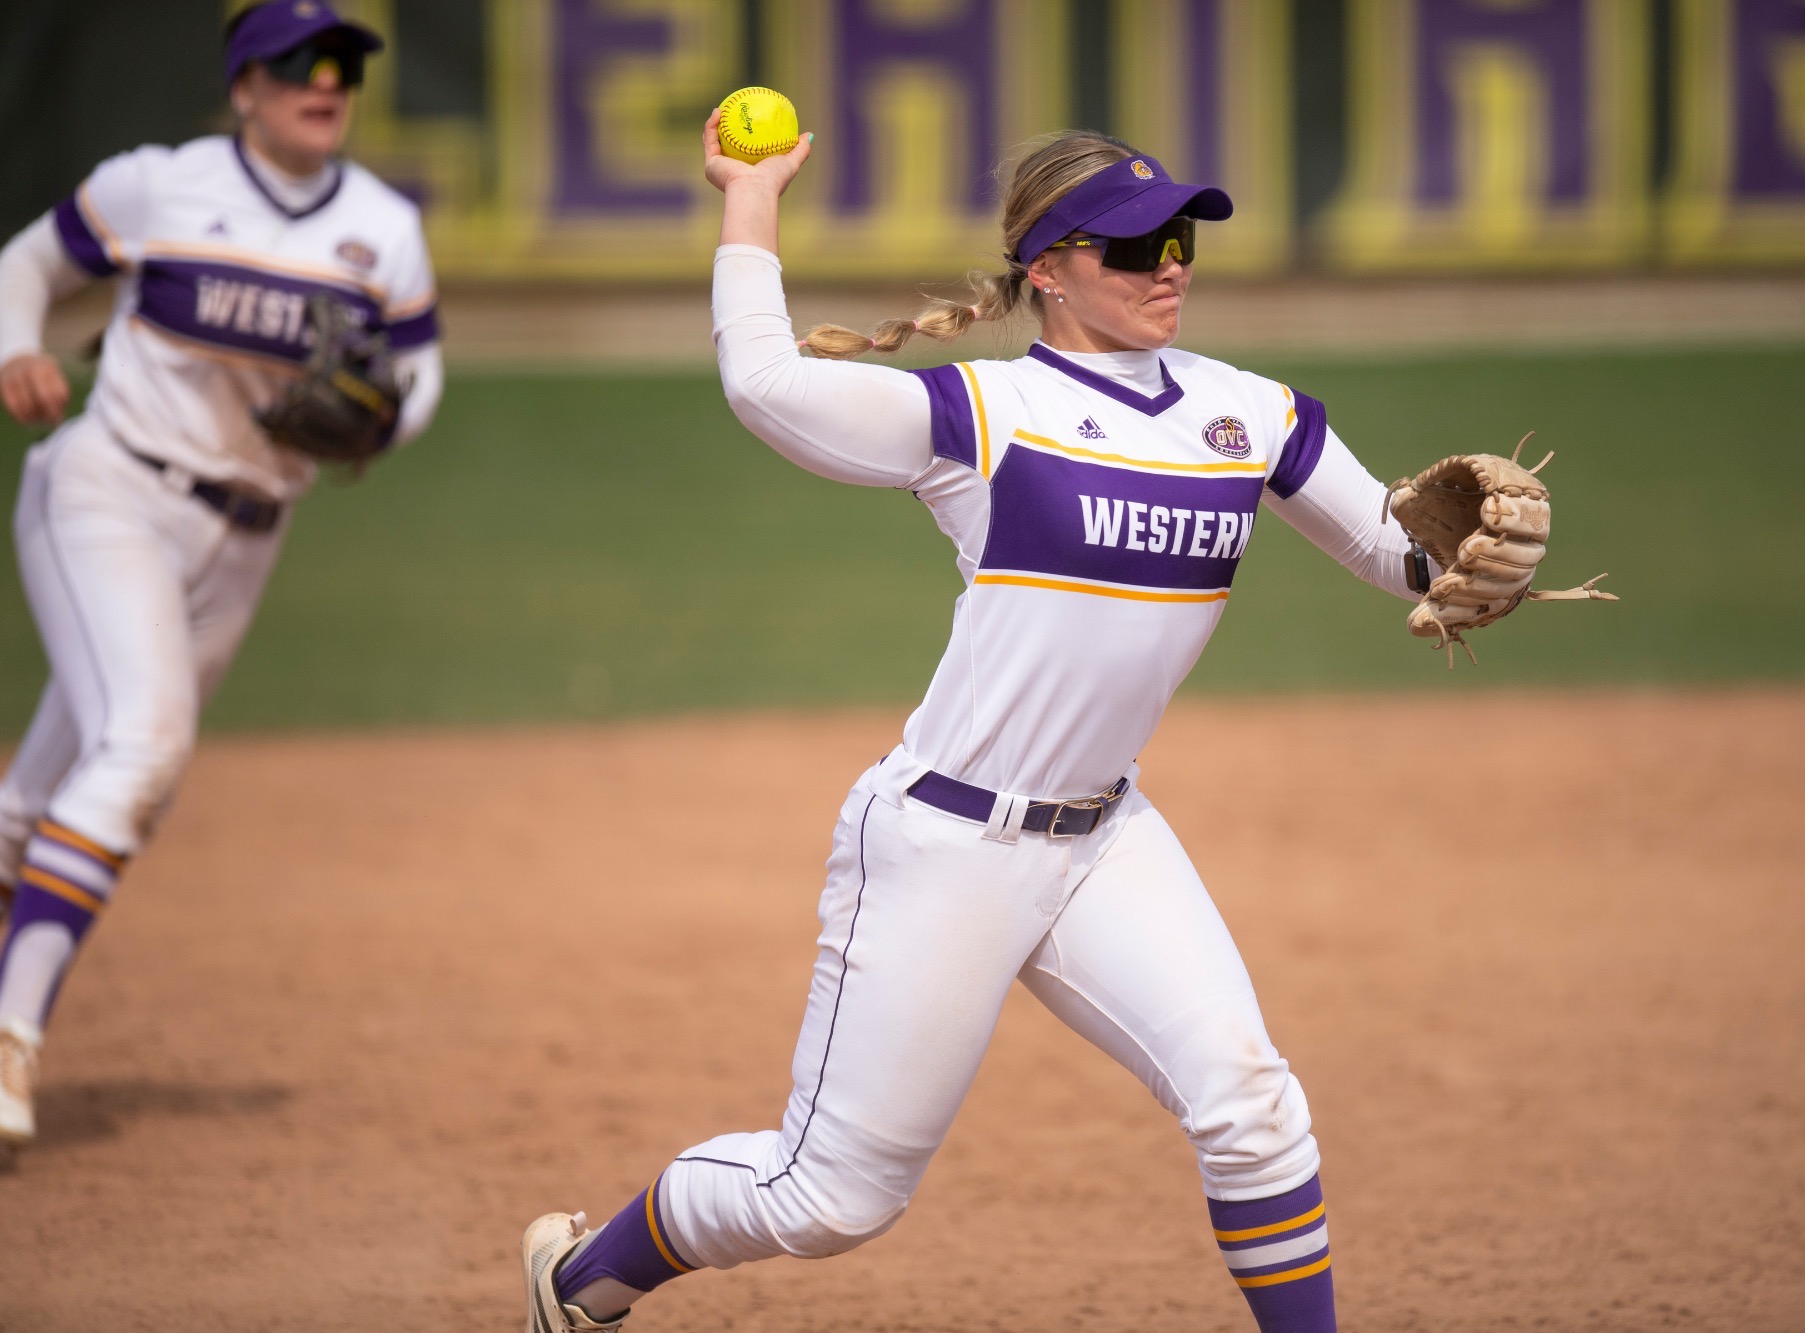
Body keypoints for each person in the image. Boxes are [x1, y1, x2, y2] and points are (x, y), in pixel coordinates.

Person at [520, 115, 1435, 1333]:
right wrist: (749, 197)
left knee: (1250, 1103)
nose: (1167, 263)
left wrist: (1468, 560)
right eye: (1131, 246)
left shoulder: (1250, 416)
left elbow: (1393, 550)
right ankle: (577, 1281)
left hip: (1106, 838)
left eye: (1180, 238)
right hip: (943, 843)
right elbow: (764, 385)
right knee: (828, 1198)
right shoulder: (984, 415)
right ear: (1047, 269)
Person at [0, 0, 442, 1148]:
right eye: (295, 61)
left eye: (342, 61)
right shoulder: (162, 184)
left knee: (39, 801)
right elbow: (27, 262)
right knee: (141, 748)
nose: (326, 78)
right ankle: (12, 1039)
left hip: (245, 539)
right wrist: (16, 347)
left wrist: (382, 425)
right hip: (108, 490)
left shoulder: (382, 228)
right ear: (244, 86)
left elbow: (418, 370)